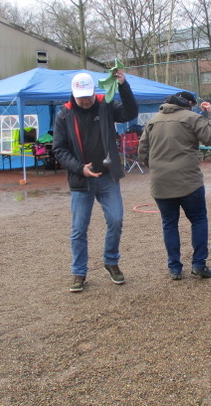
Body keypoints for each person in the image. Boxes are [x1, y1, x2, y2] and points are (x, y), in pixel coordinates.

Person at [53, 70, 138, 293]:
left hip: (107, 177)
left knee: (116, 219)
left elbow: (130, 112)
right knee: (79, 229)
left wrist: (123, 85)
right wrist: (79, 168)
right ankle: (79, 272)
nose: (85, 100)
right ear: (73, 94)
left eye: (88, 95)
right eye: (80, 96)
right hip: (81, 180)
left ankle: (111, 261)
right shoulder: (64, 114)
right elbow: (59, 149)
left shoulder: (106, 105)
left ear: (94, 91)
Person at [138, 92, 211, 280]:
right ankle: (199, 264)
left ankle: (174, 268)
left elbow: (143, 152)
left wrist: (157, 168)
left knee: (169, 224)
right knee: (198, 220)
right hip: (188, 181)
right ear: (187, 105)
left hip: (160, 183)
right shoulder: (192, 118)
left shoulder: (152, 121)